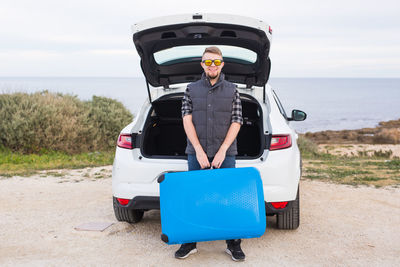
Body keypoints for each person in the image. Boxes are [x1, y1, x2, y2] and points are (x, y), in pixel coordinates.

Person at [177, 46, 245, 261]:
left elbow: (237, 121)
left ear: (222, 64)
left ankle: (233, 243)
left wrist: (223, 150)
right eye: (208, 62)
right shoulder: (190, 89)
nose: (212, 65)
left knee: (228, 198)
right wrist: (198, 150)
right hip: (196, 152)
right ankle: (190, 241)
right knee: (195, 197)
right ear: (202, 64)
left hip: (226, 153)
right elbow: (186, 119)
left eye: (216, 62)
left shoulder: (233, 89)